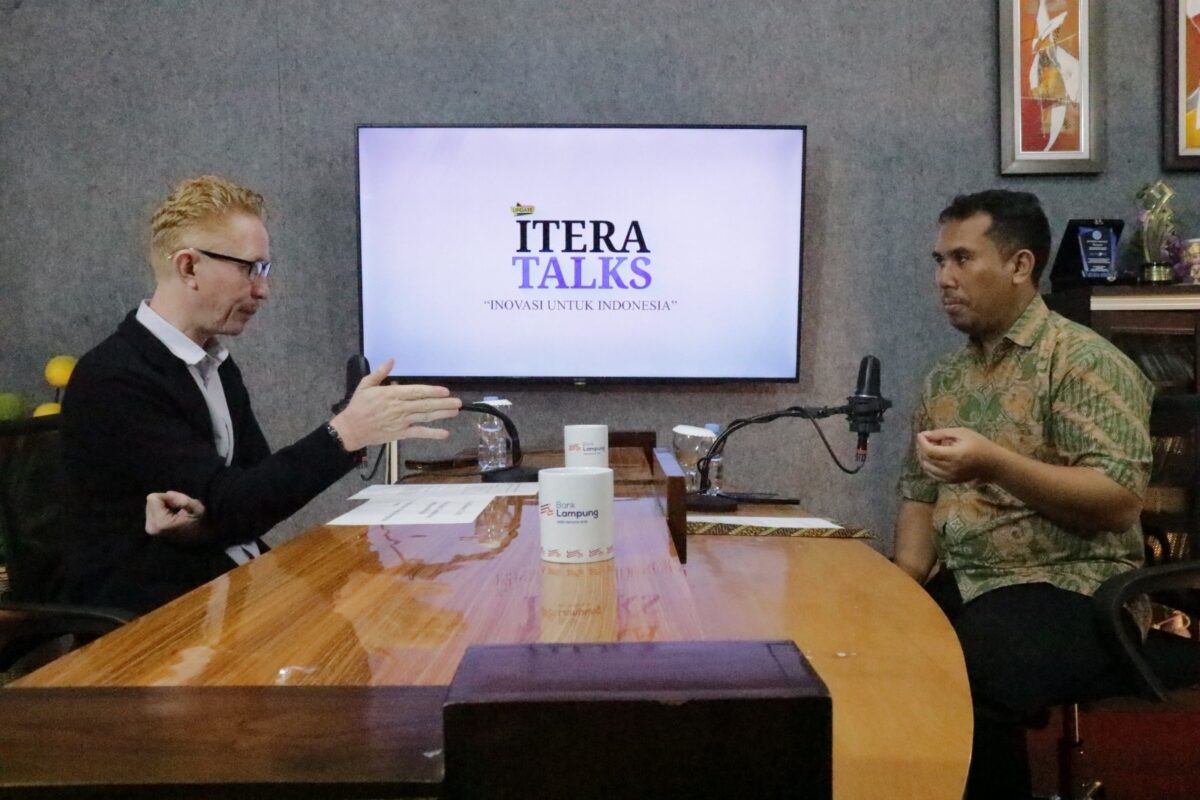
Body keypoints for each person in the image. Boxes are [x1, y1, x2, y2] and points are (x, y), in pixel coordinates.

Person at [61, 175, 461, 615]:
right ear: (188, 267)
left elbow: (253, 495)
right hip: (159, 620)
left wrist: (212, 519)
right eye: (249, 269)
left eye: (264, 270)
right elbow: (235, 506)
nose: (262, 289)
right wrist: (345, 433)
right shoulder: (115, 379)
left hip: (230, 590)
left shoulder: (215, 363)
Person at [894, 189, 1153, 799]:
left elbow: (1118, 499)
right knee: (881, 653)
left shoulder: (1083, 361)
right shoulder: (945, 378)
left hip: (1074, 584)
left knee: (969, 669)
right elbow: (919, 493)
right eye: (940, 261)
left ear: (1019, 265)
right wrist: (898, 591)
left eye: (963, 259)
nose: (945, 279)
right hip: (969, 581)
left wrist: (995, 463)